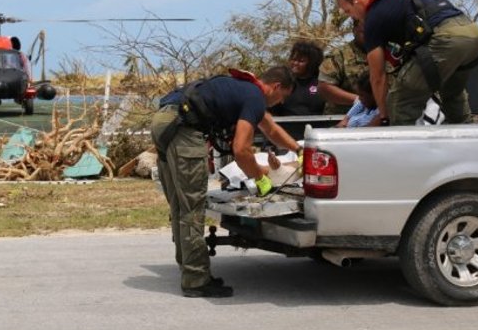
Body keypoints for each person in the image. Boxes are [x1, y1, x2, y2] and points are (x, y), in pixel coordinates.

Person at [151, 66, 301, 298]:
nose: (281, 102)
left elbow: (270, 129)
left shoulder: (244, 90)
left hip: (164, 120)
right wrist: (261, 180)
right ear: (276, 86)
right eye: (283, 96)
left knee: (181, 206)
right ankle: (196, 280)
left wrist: (298, 149)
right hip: (183, 127)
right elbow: (241, 151)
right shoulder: (255, 97)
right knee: (192, 207)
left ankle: (188, 267)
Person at [336, 0, 478, 125]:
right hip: (474, 36)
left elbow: (377, 77)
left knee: (400, 100)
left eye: (349, 11)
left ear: (355, 0)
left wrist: (384, 116)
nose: (352, 17)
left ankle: (402, 146)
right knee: (452, 94)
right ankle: (467, 137)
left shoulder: (373, 18)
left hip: (447, 41)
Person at [318, 19, 369, 115]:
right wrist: (359, 101)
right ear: (354, 30)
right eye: (364, 32)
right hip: (344, 120)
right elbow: (324, 87)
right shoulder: (339, 55)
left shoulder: (389, 53)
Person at [269, 41, 325, 116]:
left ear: (312, 63)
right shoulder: (282, 82)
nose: (295, 63)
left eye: (301, 61)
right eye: (293, 59)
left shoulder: (322, 84)